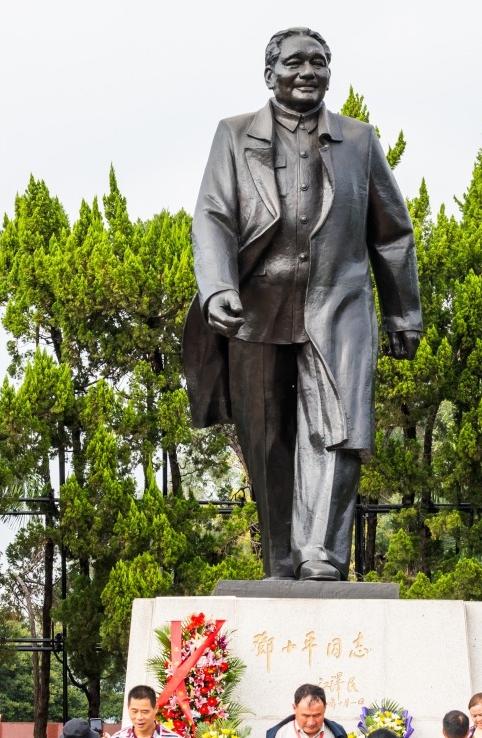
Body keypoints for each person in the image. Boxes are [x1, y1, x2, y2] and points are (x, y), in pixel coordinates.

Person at [184, 25, 423, 582]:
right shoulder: (235, 134)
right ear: (270, 74)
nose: (308, 72)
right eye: (294, 63)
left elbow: (391, 233)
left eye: (319, 62)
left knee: (336, 426)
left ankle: (323, 554)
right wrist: (219, 288)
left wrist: (403, 312)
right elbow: (213, 215)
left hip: (336, 301)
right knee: (264, 434)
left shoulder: (360, 141)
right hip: (257, 303)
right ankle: (279, 558)